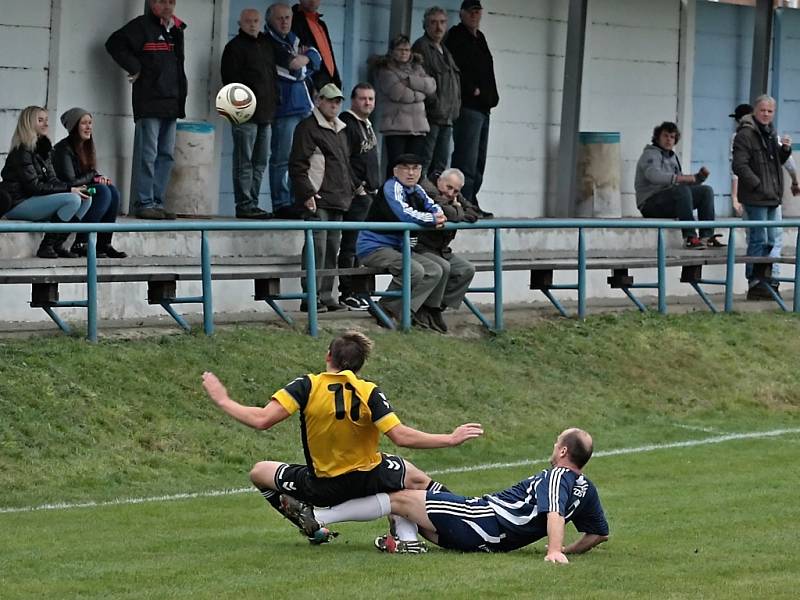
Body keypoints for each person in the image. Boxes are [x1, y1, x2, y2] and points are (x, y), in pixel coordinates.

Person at [201, 331, 483, 543]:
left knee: (259, 472)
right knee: (413, 476)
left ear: (328, 357)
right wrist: (449, 438)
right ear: (360, 366)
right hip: (368, 478)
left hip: (321, 487)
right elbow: (400, 436)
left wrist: (224, 400)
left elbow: (262, 420)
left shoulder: (307, 385)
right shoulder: (368, 391)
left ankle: (310, 523)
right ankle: (467, 513)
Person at [300, 428, 609, 558]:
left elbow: (553, 511)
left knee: (399, 496)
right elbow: (598, 534)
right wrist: (570, 551)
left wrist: (556, 550)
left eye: (557, 443)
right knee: (413, 478)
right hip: (482, 519)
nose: (553, 448)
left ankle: (318, 515)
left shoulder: (558, 475)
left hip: (483, 520)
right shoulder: (587, 488)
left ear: (564, 450)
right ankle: (407, 541)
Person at [106, 0, 187, 220]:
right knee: (148, 154)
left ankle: (157, 202)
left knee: (166, 155)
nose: (169, 6)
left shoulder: (176, 29)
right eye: (163, 1)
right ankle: (145, 202)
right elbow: (114, 43)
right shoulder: (141, 26)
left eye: (172, 1)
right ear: (152, 4)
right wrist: (135, 67)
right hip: (149, 101)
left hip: (171, 102)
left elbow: (178, 67)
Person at [356, 153, 447, 329]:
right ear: (395, 171)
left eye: (415, 168)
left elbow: (434, 206)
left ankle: (408, 311)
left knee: (435, 270)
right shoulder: (392, 187)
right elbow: (404, 214)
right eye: (406, 168)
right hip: (374, 247)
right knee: (415, 270)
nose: (411, 173)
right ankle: (385, 307)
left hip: (398, 247)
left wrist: (438, 215)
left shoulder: (417, 189)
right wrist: (432, 219)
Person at [289, 83, 357, 312]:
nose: (334, 105)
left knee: (331, 250)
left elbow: (344, 165)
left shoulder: (341, 129)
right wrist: (307, 194)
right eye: (330, 100)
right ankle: (310, 298)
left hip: (338, 199)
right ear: (318, 101)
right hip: (317, 199)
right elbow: (297, 165)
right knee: (316, 249)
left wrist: (352, 189)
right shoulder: (307, 127)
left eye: (338, 101)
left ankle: (327, 297)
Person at [1, 106, 92, 258]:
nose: (46, 124)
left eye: (46, 120)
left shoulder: (43, 149)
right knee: (73, 199)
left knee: (85, 198)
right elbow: (34, 187)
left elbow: (52, 180)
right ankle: (46, 246)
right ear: (29, 123)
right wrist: (69, 189)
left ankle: (58, 244)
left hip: (34, 200)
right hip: (18, 203)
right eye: (40, 120)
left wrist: (74, 188)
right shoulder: (22, 151)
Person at [730, 103, 798, 296]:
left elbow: (779, 161)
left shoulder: (770, 133)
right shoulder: (744, 135)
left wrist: (785, 150)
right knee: (758, 239)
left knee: (772, 240)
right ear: (755, 112)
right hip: (756, 196)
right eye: (763, 110)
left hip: (772, 197)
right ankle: (755, 282)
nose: (766, 114)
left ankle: (769, 280)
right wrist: (756, 185)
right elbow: (739, 166)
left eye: (770, 111)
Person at [221, 8, 279, 219]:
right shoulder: (234, 48)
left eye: (256, 21)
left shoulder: (266, 45)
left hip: (266, 113)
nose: (252, 24)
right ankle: (244, 204)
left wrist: (276, 102)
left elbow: (272, 76)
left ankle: (253, 202)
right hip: (244, 114)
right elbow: (230, 81)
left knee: (261, 161)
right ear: (240, 22)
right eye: (248, 21)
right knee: (243, 160)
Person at [266, 2, 321, 219]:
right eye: (280, 18)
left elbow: (316, 56)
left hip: (303, 107)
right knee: (281, 158)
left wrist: (305, 59)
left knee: (302, 159)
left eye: (287, 17)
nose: (284, 21)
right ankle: (281, 203)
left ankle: (299, 202)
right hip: (284, 108)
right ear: (270, 20)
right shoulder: (269, 42)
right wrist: (306, 63)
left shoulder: (293, 39)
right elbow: (292, 71)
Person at [445, 0, 498, 218]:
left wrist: (491, 96)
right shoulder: (457, 37)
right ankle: (462, 201)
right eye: (471, 12)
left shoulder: (480, 38)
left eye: (478, 12)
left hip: (484, 107)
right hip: (468, 106)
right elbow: (455, 69)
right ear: (462, 14)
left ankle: (471, 199)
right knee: (466, 157)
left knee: (479, 159)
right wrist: (472, 90)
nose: (475, 16)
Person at [52, 108, 127, 259]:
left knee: (112, 191)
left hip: (82, 187)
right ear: (74, 127)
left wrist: (99, 177)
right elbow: (70, 181)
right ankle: (81, 242)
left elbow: (88, 174)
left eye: (90, 123)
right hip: (67, 192)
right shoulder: (63, 149)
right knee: (103, 192)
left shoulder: (86, 146)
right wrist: (93, 176)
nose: (89, 127)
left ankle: (104, 244)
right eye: (84, 123)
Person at [634, 121, 721, 249]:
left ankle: (706, 237)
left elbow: (681, 182)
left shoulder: (673, 157)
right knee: (681, 190)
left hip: (669, 201)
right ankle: (690, 237)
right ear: (658, 137)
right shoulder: (650, 154)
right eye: (665, 136)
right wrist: (680, 178)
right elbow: (654, 176)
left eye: (672, 137)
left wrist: (698, 179)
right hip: (650, 203)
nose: (669, 140)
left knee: (706, 191)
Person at [414, 169, 477, 333]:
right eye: (449, 187)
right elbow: (448, 213)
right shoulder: (427, 189)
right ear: (440, 180)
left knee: (466, 269)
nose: (451, 193)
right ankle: (424, 309)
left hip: (441, 249)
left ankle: (436, 308)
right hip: (421, 247)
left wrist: (457, 209)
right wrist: (457, 209)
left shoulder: (453, 195)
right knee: (443, 267)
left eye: (456, 191)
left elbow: (473, 212)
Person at [338, 83, 382, 311]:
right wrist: (358, 188)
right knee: (351, 245)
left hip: (371, 195)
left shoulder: (367, 124)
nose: (367, 103)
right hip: (357, 196)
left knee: (366, 247)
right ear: (353, 100)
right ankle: (347, 292)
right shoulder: (347, 122)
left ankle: (362, 292)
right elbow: (344, 161)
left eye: (371, 99)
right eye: (363, 98)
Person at [371, 34, 437, 179]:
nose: (404, 53)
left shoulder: (417, 68)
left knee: (414, 168)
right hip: (396, 128)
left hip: (418, 128)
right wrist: (420, 92)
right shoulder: (386, 69)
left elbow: (431, 86)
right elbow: (399, 93)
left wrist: (410, 81)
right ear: (392, 51)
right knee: (397, 166)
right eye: (400, 49)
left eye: (407, 49)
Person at [413, 7, 461, 180]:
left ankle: (435, 202)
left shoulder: (444, 49)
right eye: (433, 23)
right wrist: (435, 104)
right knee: (425, 163)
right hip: (431, 117)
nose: (438, 27)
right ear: (425, 26)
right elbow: (420, 79)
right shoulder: (422, 47)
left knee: (441, 166)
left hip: (446, 118)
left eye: (442, 22)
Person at [290, 0, 341, 92]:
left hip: (328, 84)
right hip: (310, 86)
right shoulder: (293, 20)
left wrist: (336, 81)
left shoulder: (321, 24)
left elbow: (329, 56)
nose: (313, 1)